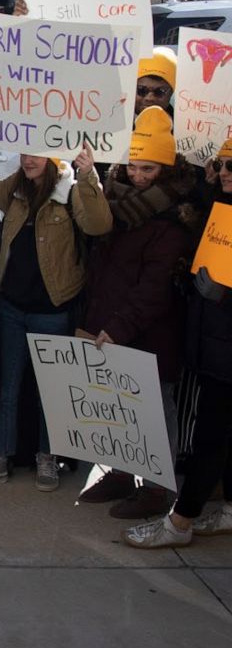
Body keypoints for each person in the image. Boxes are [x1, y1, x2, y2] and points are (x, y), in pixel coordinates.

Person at [0, 136, 111, 491]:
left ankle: (47, 458)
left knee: (48, 390)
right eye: (23, 151)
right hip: (11, 308)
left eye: (35, 150)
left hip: (53, 310)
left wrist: (89, 176)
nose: (28, 158)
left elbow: (99, 225)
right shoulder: (16, 186)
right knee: (6, 386)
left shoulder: (70, 188)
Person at [78, 108, 200, 518]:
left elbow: (155, 289)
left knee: (155, 412)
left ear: (165, 169)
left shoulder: (172, 221)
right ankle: (120, 474)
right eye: (132, 164)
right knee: (116, 405)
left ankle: (158, 487)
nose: (137, 174)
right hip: (110, 323)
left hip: (150, 333)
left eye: (148, 168)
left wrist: (118, 326)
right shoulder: (113, 202)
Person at [126, 144, 232, 548]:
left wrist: (225, 296)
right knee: (223, 435)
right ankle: (227, 511)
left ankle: (180, 522)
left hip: (224, 345)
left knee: (212, 437)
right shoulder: (220, 205)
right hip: (212, 343)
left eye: (231, 166)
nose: (223, 172)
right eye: (219, 164)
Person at [136, 48, 176, 118]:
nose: (149, 98)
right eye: (141, 90)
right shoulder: (112, 124)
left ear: (171, 92)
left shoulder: (182, 127)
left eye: (160, 91)